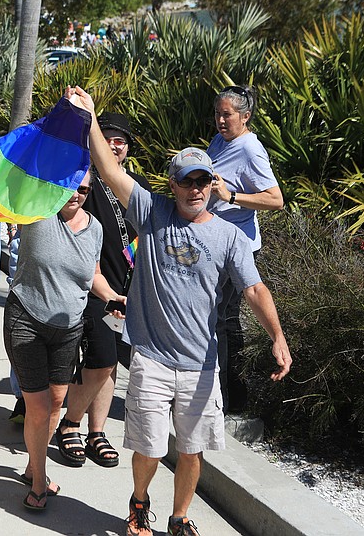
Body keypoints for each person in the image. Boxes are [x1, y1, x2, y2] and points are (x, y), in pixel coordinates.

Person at [70, 86, 291, 536]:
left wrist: (278, 336)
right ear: (172, 184)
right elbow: (110, 169)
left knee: (192, 451)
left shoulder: (229, 237)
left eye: (202, 181)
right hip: (151, 358)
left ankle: (179, 516)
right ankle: (139, 503)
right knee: (149, 449)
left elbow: (254, 288)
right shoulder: (152, 212)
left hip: (200, 364)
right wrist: (90, 116)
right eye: (186, 181)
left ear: (213, 186)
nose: (195, 189)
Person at [4, 169, 112, 511]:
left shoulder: (95, 228)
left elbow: (94, 276)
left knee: (54, 404)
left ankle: (31, 466)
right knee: (37, 407)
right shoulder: (37, 211)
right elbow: (16, 177)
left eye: (83, 189)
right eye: (69, 186)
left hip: (68, 330)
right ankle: (39, 483)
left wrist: (113, 298)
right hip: (27, 321)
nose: (75, 194)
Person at [55, 113, 151, 469]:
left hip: (128, 288)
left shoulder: (137, 185)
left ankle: (96, 432)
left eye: (121, 141)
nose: (114, 144)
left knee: (109, 366)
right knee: (101, 359)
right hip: (93, 286)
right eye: (107, 137)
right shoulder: (83, 178)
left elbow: (147, 231)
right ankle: (70, 424)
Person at [206, 85, 284, 414]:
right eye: (218, 114)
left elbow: (275, 199)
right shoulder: (220, 140)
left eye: (228, 115)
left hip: (239, 246)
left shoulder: (251, 149)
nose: (221, 120)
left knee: (223, 319)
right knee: (218, 318)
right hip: (216, 241)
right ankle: (222, 394)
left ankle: (231, 399)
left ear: (245, 116)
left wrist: (232, 197)